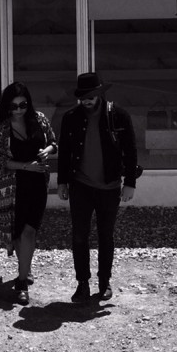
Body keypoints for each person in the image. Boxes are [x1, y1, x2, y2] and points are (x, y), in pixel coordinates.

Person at [57, 72, 139, 303]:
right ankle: (82, 283)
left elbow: (131, 151)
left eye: (91, 96)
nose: (87, 100)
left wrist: (130, 183)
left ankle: (104, 282)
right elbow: (64, 153)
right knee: (79, 236)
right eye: (83, 97)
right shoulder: (70, 118)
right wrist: (61, 182)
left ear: (100, 94)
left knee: (106, 236)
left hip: (110, 185)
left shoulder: (118, 116)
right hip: (80, 185)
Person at [0, 82, 57, 305]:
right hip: (13, 187)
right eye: (14, 106)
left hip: (38, 184)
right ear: (7, 107)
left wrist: (45, 151)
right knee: (19, 233)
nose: (19, 110)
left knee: (29, 231)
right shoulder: (2, 129)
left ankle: (22, 279)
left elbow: (54, 143)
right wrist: (27, 166)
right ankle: (24, 272)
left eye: (23, 105)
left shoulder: (39, 119)